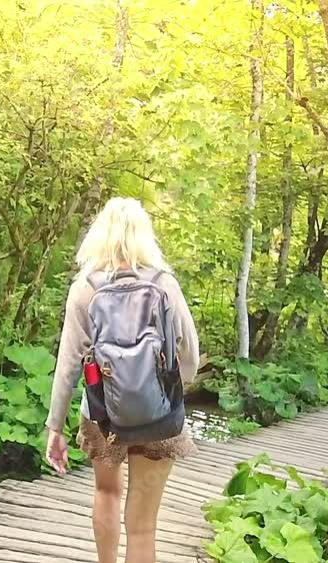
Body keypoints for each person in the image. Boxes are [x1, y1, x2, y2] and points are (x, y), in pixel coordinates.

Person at [44, 197, 200, 563]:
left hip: (102, 415)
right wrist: (172, 391)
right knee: (143, 525)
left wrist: (55, 427)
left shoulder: (86, 286)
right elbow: (189, 351)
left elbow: (68, 363)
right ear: (145, 236)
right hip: (159, 418)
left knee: (107, 493)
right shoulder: (164, 283)